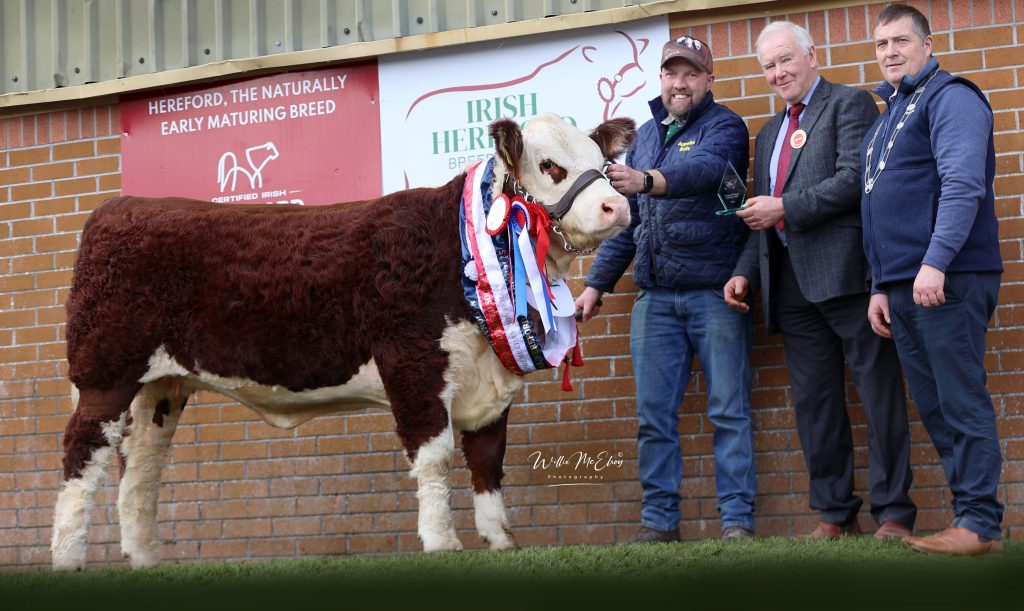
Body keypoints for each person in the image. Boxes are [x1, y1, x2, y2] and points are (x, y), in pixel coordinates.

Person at [724, 21, 915, 541]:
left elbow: (855, 181)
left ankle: (894, 514)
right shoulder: (767, 135)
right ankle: (834, 514)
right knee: (815, 405)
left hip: (849, 277)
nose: (778, 72)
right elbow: (758, 216)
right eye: (768, 65)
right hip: (790, 288)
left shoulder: (849, 105)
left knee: (880, 398)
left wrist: (785, 206)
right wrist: (745, 275)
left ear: (812, 54)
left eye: (785, 60)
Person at [575, 36, 755, 542]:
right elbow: (631, 225)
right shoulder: (649, 136)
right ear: (661, 79)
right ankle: (659, 523)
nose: (680, 83)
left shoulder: (726, 127)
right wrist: (595, 285)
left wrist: (648, 178)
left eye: (691, 74)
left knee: (728, 411)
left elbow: (706, 172)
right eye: (672, 73)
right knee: (654, 418)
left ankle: (736, 522)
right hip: (653, 300)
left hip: (714, 294)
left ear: (708, 80)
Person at [862, 4, 1003, 556]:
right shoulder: (891, 110)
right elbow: (878, 203)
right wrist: (880, 283)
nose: (891, 52)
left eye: (901, 41)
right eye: (881, 44)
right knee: (937, 406)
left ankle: (978, 524)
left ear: (927, 42)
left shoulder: (953, 98)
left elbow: (963, 184)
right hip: (904, 284)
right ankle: (971, 518)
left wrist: (936, 261)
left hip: (947, 277)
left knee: (961, 399)